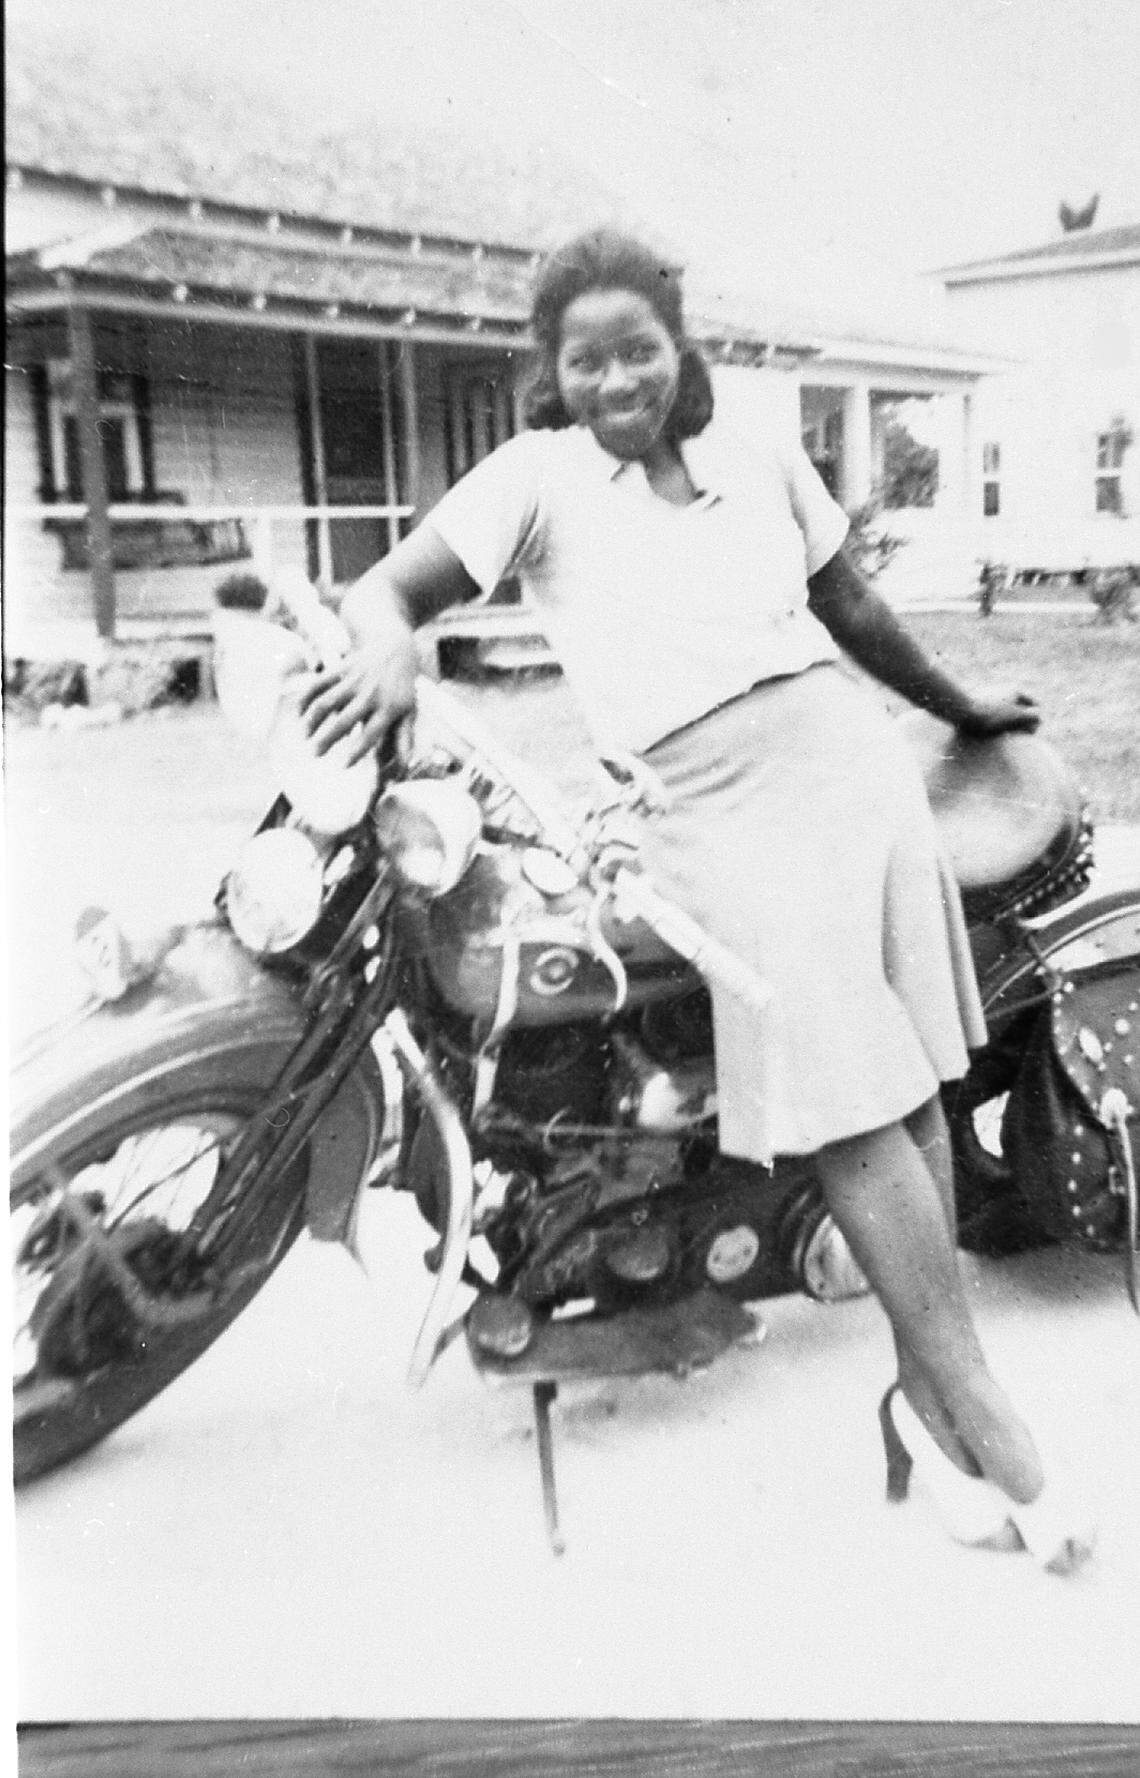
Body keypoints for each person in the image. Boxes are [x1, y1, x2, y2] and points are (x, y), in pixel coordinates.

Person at [300, 228, 1094, 1573]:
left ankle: (936, 1409)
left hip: (850, 769)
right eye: (585, 356)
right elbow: (392, 586)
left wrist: (956, 706)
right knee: (858, 1102)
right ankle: (986, 1414)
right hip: (707, 802)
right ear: (552, 372)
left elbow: (846, 600)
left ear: (680, 344)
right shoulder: (535, 477)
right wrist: (386, 653)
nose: (618, 377)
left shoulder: (761, 450)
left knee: (905, 1093)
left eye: (639, 347)